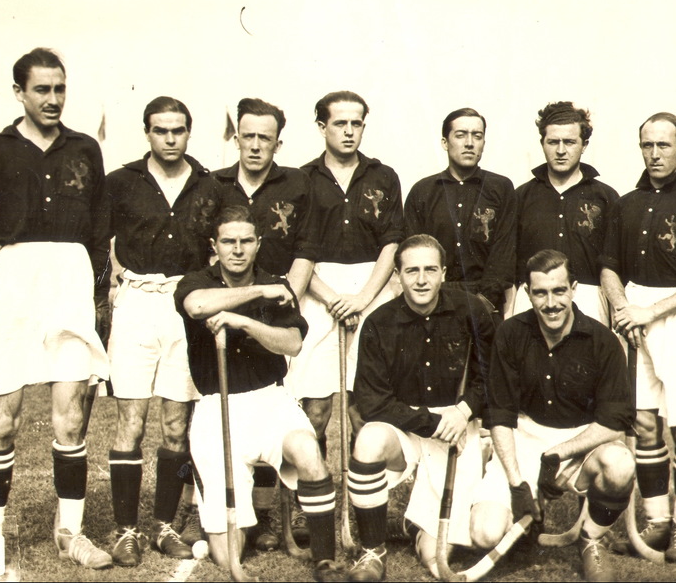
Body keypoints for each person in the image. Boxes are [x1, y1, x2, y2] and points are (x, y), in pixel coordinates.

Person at [0, 47, 113, 569]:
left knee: (71, 419)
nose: (52, 98)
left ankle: (71, 532)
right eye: (42, 89)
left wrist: (99, 299)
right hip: (16, 283)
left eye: (59, 88)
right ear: (19, 92)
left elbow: (99, 234)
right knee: (4, 420)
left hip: (70, 279)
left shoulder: (85, 149)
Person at [173, 205, 343, 582]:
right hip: (217, 408)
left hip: (270, 401)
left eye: (246, 241)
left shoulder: (276, 285)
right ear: (214, 245)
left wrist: (244, 322)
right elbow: (196, 306)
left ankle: (325, 561)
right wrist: (258, 293)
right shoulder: (198, 281)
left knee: (308, 451)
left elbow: (292, 343)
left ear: (258, 243)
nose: (238, 249)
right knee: (227, 556)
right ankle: (226, 525)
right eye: (228, 241)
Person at [599, 112, 676, 564]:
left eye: (664, 145)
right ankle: (657, 522)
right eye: (647, 145)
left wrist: (651, 312)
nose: (654, 154)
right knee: (644, 424)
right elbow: (609, 267)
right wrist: (623, 309)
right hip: (632, 319)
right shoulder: (624, 204)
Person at [104, 97, 223, 566]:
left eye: (178, 130)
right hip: (136, 301)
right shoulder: (121, 182)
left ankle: (163, 525)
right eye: (161, 130)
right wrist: (110, 282)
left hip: (183, 305)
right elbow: (97, 239)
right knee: (130, 422)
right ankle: (125, 529)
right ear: (147, 133)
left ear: (189, 132)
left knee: (176, 425)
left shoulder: (210, 185)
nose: (170, 139)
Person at [345, 235, 503, 581]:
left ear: (443, 273)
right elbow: (372, 401)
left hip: (458, 424)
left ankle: (416, 527)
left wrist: (463, 411)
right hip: (407, 425)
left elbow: (491, 376)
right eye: (411, 270)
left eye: (430, 270)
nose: (421, 280)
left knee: (437, 554)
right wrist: (433, 423)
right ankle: (373, 551)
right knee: (369, 441)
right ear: (397, 276)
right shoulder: (378, 322)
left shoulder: (472, 311)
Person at [482, 249, 635, 583]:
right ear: (527, 292)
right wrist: (517, 484)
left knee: (620, 465)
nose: (551, 303)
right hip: (525, 435)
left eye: (559, 291)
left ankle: (591, 538)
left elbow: (613, 423)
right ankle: (525, 524)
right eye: (540, 293)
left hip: (580, 440)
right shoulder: (510, 333)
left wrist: (558, 454)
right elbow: (501, 415)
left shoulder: (602, 340)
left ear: (574, 288)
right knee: (485, 533)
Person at [213, 97, 316, 550]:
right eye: (248, 136)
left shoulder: (297, 184)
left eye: (265, 138)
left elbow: (306, 249)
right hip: (226, 306)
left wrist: (284, 301)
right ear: (237, 138)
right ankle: (214, 507)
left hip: (276, 311)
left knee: (279, 412)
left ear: (278, 142)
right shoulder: (214, 184)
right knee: (215, 409)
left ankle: (276, 515)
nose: (256, 145)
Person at [292, 91, 403, 453]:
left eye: (357, 123)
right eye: (340, 123)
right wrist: (332, 299)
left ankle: (364, 484)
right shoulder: (301, 179)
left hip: (372, 289)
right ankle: (314, 484)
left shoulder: (383, 176)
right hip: (318, 290)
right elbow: (298, 252)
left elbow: (392, 243)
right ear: (322, 126)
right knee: (315, 407)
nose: (349, 131)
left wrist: (362, 298)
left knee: (364, 408)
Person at [513, 101, 620, 324]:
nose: (561, 151)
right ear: (542, 143)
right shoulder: (521, 196)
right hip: (533, 300)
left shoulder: (606, 197)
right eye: (553, 142)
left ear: (584, 145)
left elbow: (614, 262)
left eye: (569, 142)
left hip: (589, 299)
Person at [404, 107, 516, 315]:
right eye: (461, 135)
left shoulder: (501, 188)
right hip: (433, 303)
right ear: (445, 143)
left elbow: (504, 254)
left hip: (486, 304)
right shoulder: (423, 191)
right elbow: (413, 255)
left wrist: (483, 303)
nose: (469, 143)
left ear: (483, 143)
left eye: (477, 136)